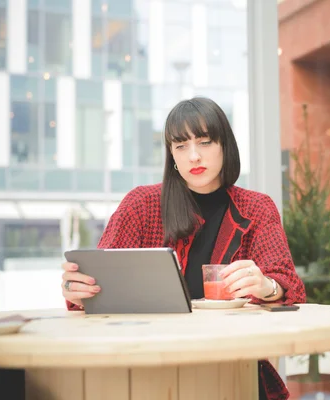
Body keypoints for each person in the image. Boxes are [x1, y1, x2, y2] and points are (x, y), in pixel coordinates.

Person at [60, 97, 306, 400]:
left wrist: (268, 286)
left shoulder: (256, 208)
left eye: (204, 142)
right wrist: (80, 289)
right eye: (180, 146)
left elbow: (290, 286)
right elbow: (98, 285)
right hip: (150, 367)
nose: (193, 156)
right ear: (171, 156)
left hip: (230, 366)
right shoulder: (141, 205)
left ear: (224, 146)